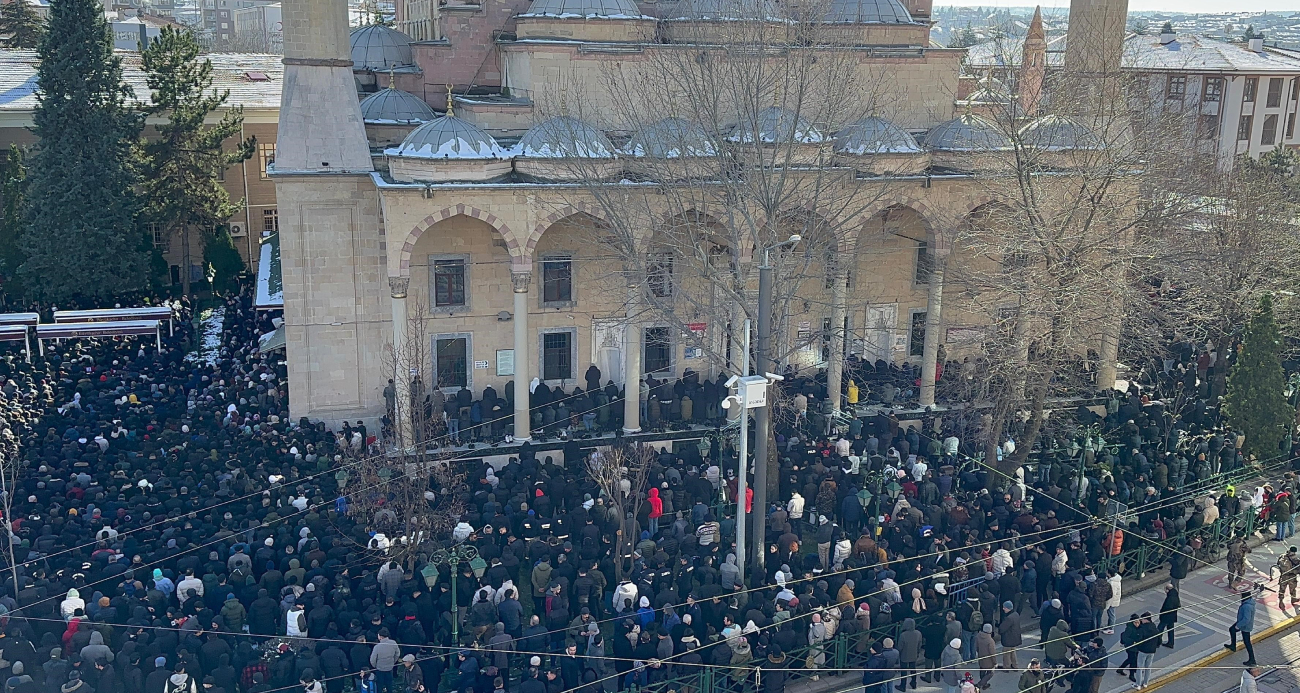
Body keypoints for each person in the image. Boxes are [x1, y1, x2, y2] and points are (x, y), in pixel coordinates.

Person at [1226, 588, 1259, 666]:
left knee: (1247, 642)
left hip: (1244, 626)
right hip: (1243, 624)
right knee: (1231, 630)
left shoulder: (1246, 606)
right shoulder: (1249, 602)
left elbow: (1246, 619)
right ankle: (1233, 646)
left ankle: (1252, 659)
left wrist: (1238, 626)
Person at [1158, 584, 1179, 648]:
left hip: (1166, 616)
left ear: (1167, 589)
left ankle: (1157, 642)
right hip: (1172, 616)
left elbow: (1167, 607)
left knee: (1159, 629)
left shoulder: (1170, 597)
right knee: (1170, 630)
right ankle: (1171, 643)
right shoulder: (1175, 595)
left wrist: (1162, 613)